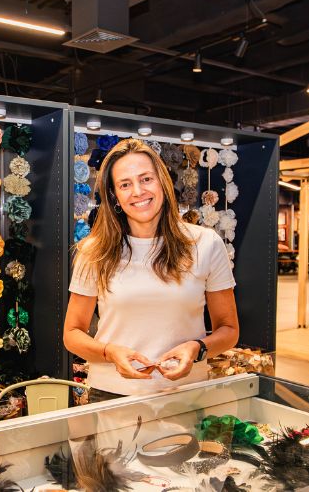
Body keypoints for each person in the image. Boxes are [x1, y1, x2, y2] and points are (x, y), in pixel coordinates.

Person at [63, 139, 239, 402]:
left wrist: (198, 348)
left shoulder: (205, 243)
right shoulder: (95, 251)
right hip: (112, 394)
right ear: (114, 196)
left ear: (162, 183)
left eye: (146, 179)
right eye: (125, 184)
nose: (137, 191)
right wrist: (109, 353)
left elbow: (229, 329)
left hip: (186, 394)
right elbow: (72, 334)